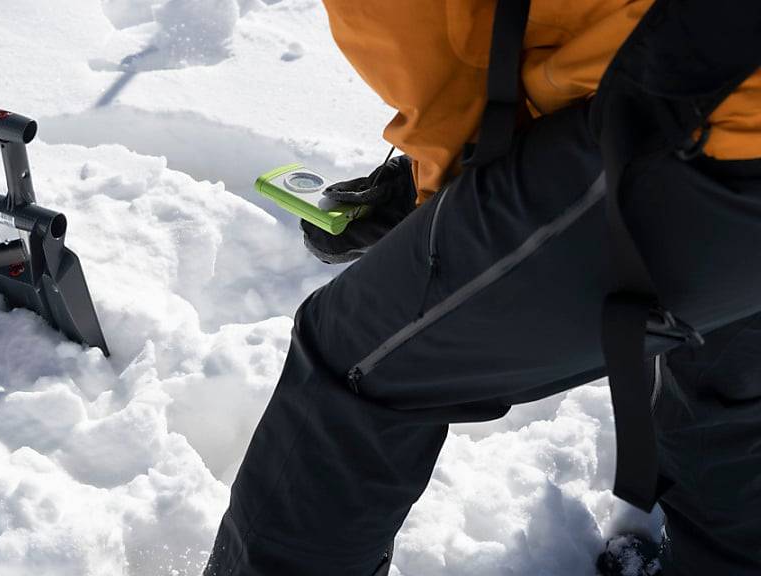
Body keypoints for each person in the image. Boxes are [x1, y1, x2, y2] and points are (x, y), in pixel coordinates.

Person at [204, 1, 761, 575]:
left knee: (353, 362)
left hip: (709, 134)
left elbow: (427, 51)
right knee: (730, 377)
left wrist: (435, 204)